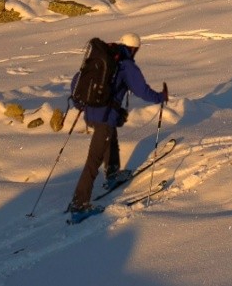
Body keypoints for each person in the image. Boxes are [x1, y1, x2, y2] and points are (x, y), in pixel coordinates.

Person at [66, 32, 168, 215]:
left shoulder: (102, 58)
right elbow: (142, 91)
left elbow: (77, 80)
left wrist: (81, 104)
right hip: (104, 117)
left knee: (110, 135)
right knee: (93, 160)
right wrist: (160, 97)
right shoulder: (126, 65)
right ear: (134, 49)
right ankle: (79, 204)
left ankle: (113, 172)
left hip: (91, 114)